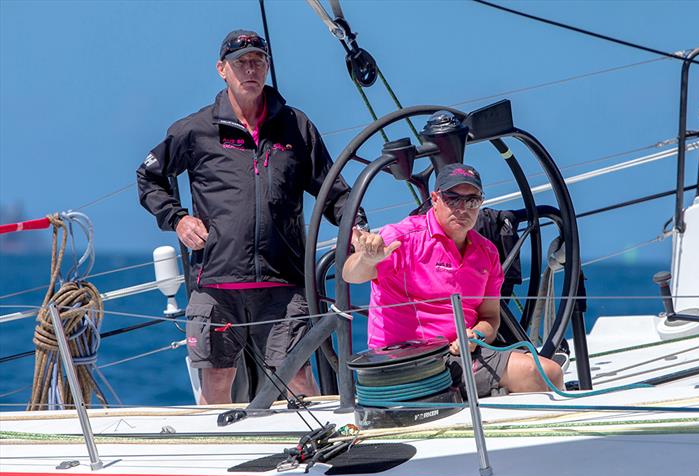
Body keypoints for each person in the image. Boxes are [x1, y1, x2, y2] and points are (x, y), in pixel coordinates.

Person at [137, 30, 364, 404]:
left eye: (257, 61)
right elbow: (149, 176)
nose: (250, 69)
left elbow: (331, 191)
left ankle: (312, 458)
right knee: (217, 382)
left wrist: (356, 227)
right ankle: (217, 455)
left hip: (282, 282)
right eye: (241, 62)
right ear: (221, 70)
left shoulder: (296, 126)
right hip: (216, 283)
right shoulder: (195, 129)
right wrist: (177, 219)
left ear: (267, 67)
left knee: (300, 380)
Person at [343, 163, 564, 396]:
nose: (462, 208)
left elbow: (490, 318)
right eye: (452, 198)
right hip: (404, 361)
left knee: (549, 373)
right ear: (435, 198)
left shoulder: (487, 253)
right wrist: (367, 259)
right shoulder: (403, 238)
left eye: (471, 201)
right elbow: (350, 274)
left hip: (460, 355)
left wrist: (476, 335)